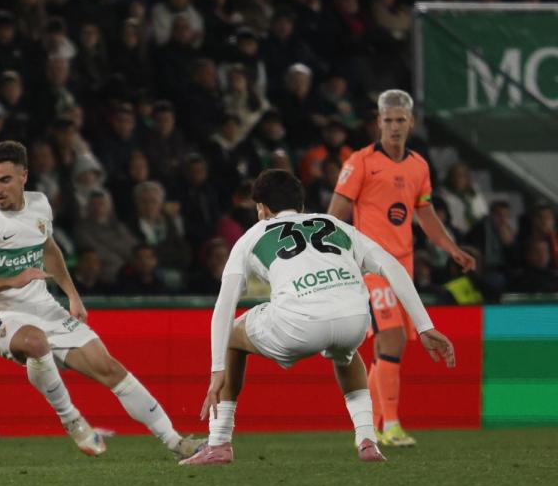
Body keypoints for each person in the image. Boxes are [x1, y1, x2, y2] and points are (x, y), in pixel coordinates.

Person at [181, 170, 456, 466]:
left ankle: (219, 443)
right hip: (354, 319)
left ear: (261, 207)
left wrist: (217, 370)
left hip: (298, 325)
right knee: (346, 354)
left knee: (233, 336)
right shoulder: (335, 224)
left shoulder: (252, 236)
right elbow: (392, 266)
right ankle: (367, 440)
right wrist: (425, 326)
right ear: (300, 204)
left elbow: (225, 303)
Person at [0, 140, 203, 458]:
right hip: (0, 315)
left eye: (4, 180)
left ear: (24, 176)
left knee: (109, 368)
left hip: (44, 308)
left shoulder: (40, 205)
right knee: (35, 343)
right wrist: (13, 280)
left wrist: (72, 295)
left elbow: (49, 249)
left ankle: (176, 442)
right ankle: (72, 419)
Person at [328, 90, 475, 447]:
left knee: (391, 347)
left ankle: (378, 424)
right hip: (371, 265)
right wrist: (329, 255)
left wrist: (450, 247)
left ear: (412, 122)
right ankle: (391, 424)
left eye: (400, 120)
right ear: (378, 122)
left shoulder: (418, 166)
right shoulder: (360, 162)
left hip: (402, 267)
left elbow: (424, 212)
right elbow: (336, 213)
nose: (394, 127)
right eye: (388, 120)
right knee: (390, 337)